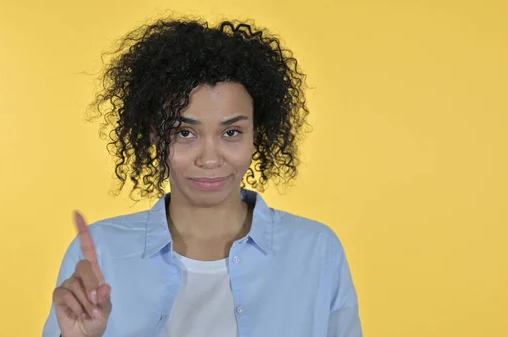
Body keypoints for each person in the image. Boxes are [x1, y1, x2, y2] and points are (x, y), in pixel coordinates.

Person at [42, 18, 362, 337]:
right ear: (155, 134)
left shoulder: (316, 250)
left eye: (232, 132)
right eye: (185, 132)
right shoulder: (102, 253)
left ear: (256, 134)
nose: (209, 158)